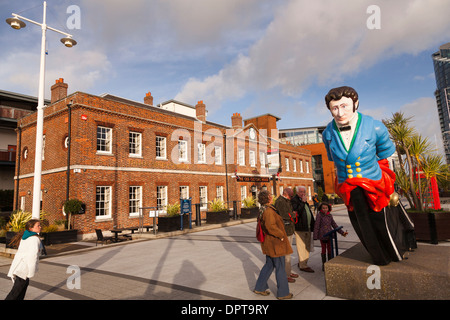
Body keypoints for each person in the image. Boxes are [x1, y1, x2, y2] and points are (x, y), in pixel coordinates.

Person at [322, 86, 416, 265]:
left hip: (372, 182)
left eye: (344, 106)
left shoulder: (375, 127)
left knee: (380, 220)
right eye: (335, 108)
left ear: (356, 103)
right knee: (360, 223)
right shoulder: (327, 133)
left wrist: (386, 179)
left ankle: (391, 252)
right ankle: (377, 255)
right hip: (347, 186)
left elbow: (385, 154)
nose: (340, 112)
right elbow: (331, 158)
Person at [254, 190, 293, 300]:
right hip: (275, 243)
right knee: (280, 267)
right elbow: (271, 226)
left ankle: (259, 287)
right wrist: (281, 235)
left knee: (269, 265)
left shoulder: (264, 209)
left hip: (270, 243)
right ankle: (283, 293)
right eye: (270, 195)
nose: (272, 197)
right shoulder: (269, 211)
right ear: (267, 198)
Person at [5, 219, 45, 300]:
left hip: (19, 267)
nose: (40, 227)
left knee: (19, 292)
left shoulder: (25, 237)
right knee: (15, 293)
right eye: (38, 225)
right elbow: (32, 256)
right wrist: (30, 272)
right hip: (24, 270)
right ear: (31, 228)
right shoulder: (34, 239)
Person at [274, 188, 298, 283]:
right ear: (286, 193)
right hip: (285, 230)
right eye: (291, 196)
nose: (291, 198)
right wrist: (293, 215)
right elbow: (285, 215)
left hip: (289, 230)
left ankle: (288, 271)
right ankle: (285, 275)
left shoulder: (286, 201)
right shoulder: (280, 201)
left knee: (288, 252)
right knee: (286, 254)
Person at [313, 202, 348, 270]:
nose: (325, 209)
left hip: (329, 235)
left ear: (328, 208)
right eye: (323, 208)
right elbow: (316, 225)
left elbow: (334, 225)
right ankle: (324, 264)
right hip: (322, 235)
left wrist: (342, 232)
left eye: (326, 208)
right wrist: (315, 236)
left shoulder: (330, 216)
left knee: (329, 249)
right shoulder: (319, 215)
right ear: (321, 208)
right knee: (323, 249)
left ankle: (329, 262)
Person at [291, 186, 315, 273]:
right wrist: (303, 202)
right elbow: (297, 212)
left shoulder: (305, 202)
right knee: (301, 247)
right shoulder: (294, 200)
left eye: (304, 192)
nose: (303, 193)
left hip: (307, 227)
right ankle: (303, 265)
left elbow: (308, 213)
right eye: (301, 192)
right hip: (300, 228)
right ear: (297, 193)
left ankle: (303, 262)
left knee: (307, 246)